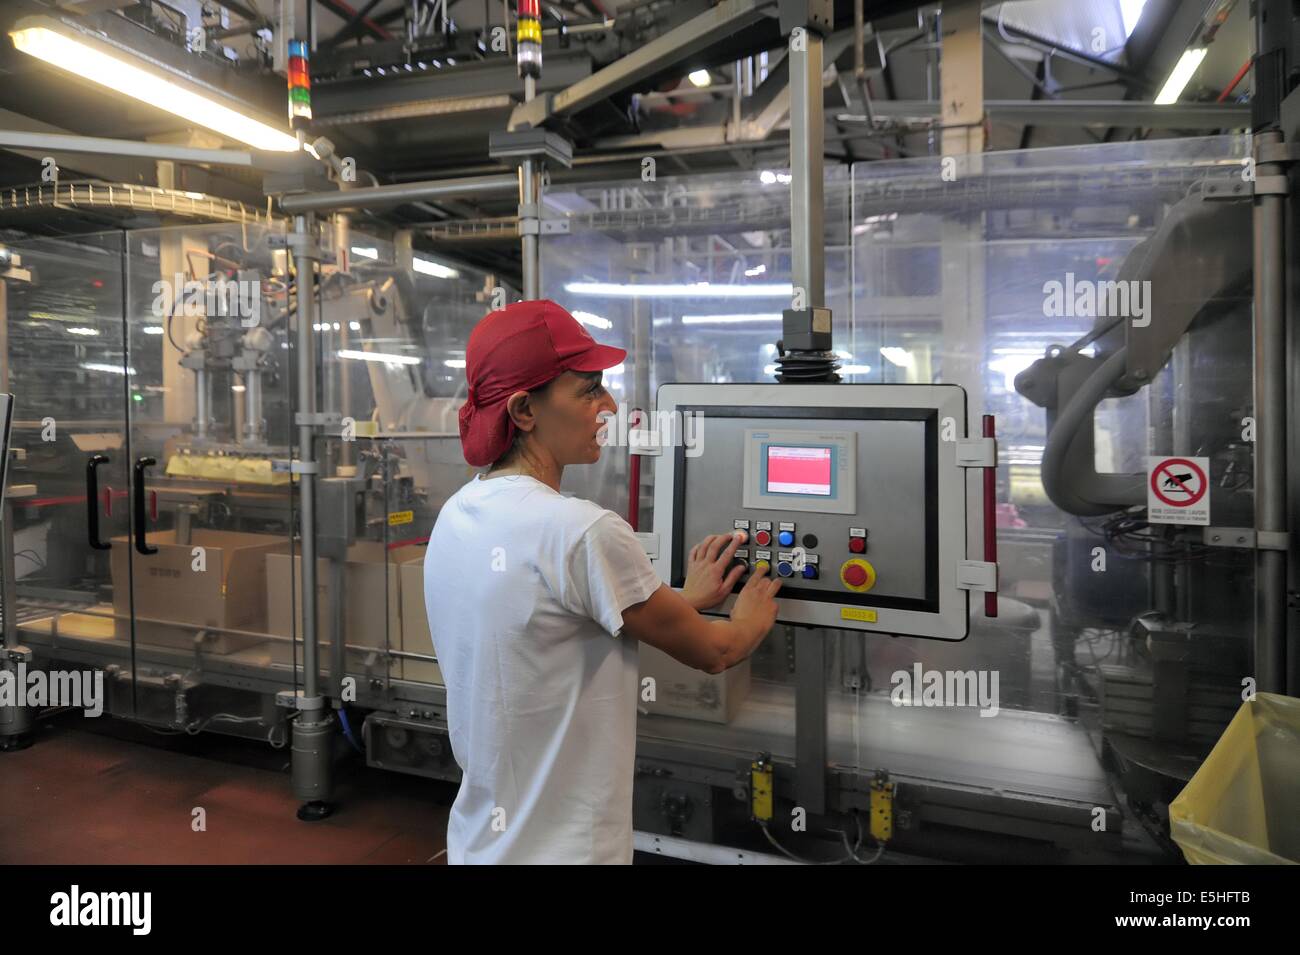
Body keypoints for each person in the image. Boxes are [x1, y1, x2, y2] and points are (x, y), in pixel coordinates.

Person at [424, 299, 781, 864]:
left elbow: (553, 619)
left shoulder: (460, 513)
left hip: (482, 844)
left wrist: (686, 598)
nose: (610, 407)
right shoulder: (582, 530)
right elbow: (717, 652)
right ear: (523, 411)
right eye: (589, 390)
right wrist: (752, 612)